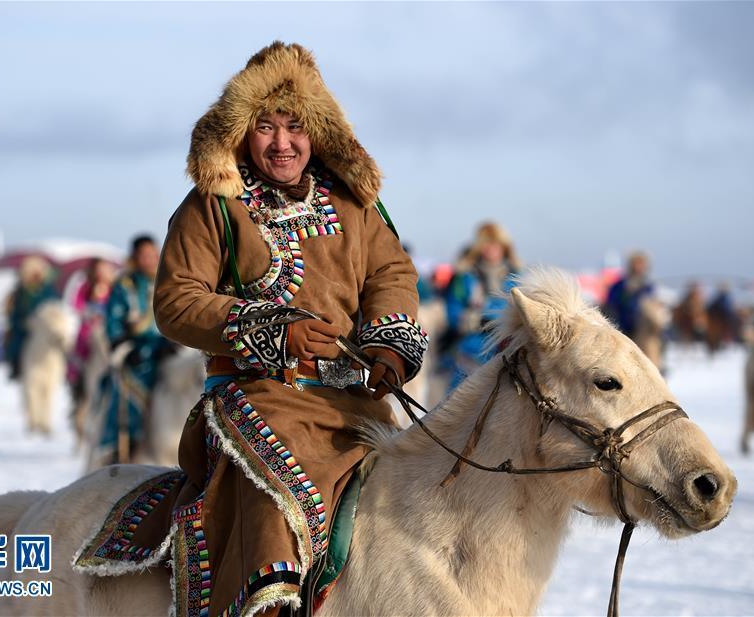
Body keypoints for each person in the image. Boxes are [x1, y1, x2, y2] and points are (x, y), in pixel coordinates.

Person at [152, 42, 427, 617]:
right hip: (258, 396)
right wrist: (275, 329)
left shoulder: (355, 204)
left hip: (355, 400)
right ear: (240, 135)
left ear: (317, 131)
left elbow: (391, 272)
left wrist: (388, 343)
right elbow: (177, 302)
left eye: (295, 126)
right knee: (283, 489)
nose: (282, 143)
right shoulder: (213, 207)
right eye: (265, 127)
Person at [95, 235, 174, 465]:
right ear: (135, 257)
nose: (149, 260)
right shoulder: (125, 285)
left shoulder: (169, 281)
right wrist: (125, 348)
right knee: (127, 394)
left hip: (169, 349)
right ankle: (125, 447)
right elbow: (113, 322)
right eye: (143, 255)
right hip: (136, 353)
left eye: (152, 254)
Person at [441, 222, 520, 389]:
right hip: (471, 350)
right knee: (459, 406)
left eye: (495, 243)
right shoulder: (464, 277)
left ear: (504, 246)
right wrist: (473, 320)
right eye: (486, 243)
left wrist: (492, 319)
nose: (490, 248)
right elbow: (452, 311)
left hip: (508, 352)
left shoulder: (517, 279)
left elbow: (523, 313)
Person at [67, 258, 115, 403]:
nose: (101, 273)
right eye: (98, 270)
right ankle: (77, 382)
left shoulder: (114, 288)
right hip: (87, 330)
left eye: (104, 270)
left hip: (107, 329)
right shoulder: (85, 287)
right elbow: (76, 305)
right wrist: (89, 311)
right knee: (80, 353)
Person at [2, 256, 59, 379]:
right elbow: (14, 313)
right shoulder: (20, 292)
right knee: (17, 341)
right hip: (25, 329)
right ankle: (16, 364)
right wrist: (22, 322)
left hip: (45, 329)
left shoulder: (48, 290)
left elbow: (55, 308)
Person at [603, 251, 655, 338]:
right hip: (622, 326)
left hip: (642, 329)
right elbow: (611, 302)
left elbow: (651, 304)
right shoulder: (620, 285)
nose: (638, 267)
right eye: (636, 264)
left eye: (641, 264)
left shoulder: (647, 287)